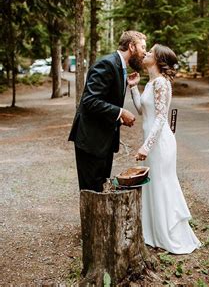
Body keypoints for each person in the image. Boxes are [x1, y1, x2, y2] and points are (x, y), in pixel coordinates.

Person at [129, 44, 200, 254]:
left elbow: (160, 118)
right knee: (153, 186)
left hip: (160, 143)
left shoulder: (161, 83)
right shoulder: (151, 83)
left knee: (162, 184)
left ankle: (168, 234)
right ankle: (153, 233)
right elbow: (143, 111)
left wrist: (146, 146)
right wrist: (133, 87)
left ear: (158, 60)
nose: (146, 54)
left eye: (150, 52)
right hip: (152, 141)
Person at [68, 31, 147, 192]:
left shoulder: (120, 66)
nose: (144, 52)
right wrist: (120, 113)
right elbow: (90, 100)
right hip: (91, 140)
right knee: (92, 192)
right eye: (142, 47)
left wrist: (128, 87)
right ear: (131, 46)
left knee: (100, 190)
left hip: (103, 141)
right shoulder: (107, 64)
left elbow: (105, 98)